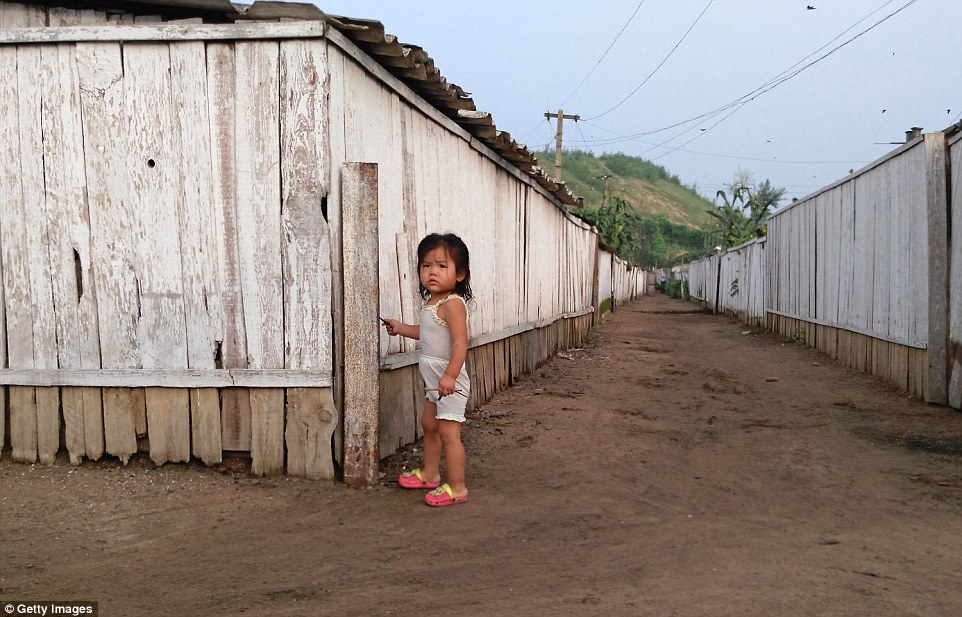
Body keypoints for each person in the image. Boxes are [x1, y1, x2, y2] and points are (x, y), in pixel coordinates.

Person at [382, 232, 473, 507]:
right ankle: (431, 474)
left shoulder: (453, 303)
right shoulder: (433, 303)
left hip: (449, 383)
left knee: (449, 434)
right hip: (434, 383)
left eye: (441, 266)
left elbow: (460, 343)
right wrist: (400, 328)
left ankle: (457, 487)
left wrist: (450, 376)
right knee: (429, 425)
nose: (432, 271)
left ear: (459, 274)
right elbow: (426, 332)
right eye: (426, 265)